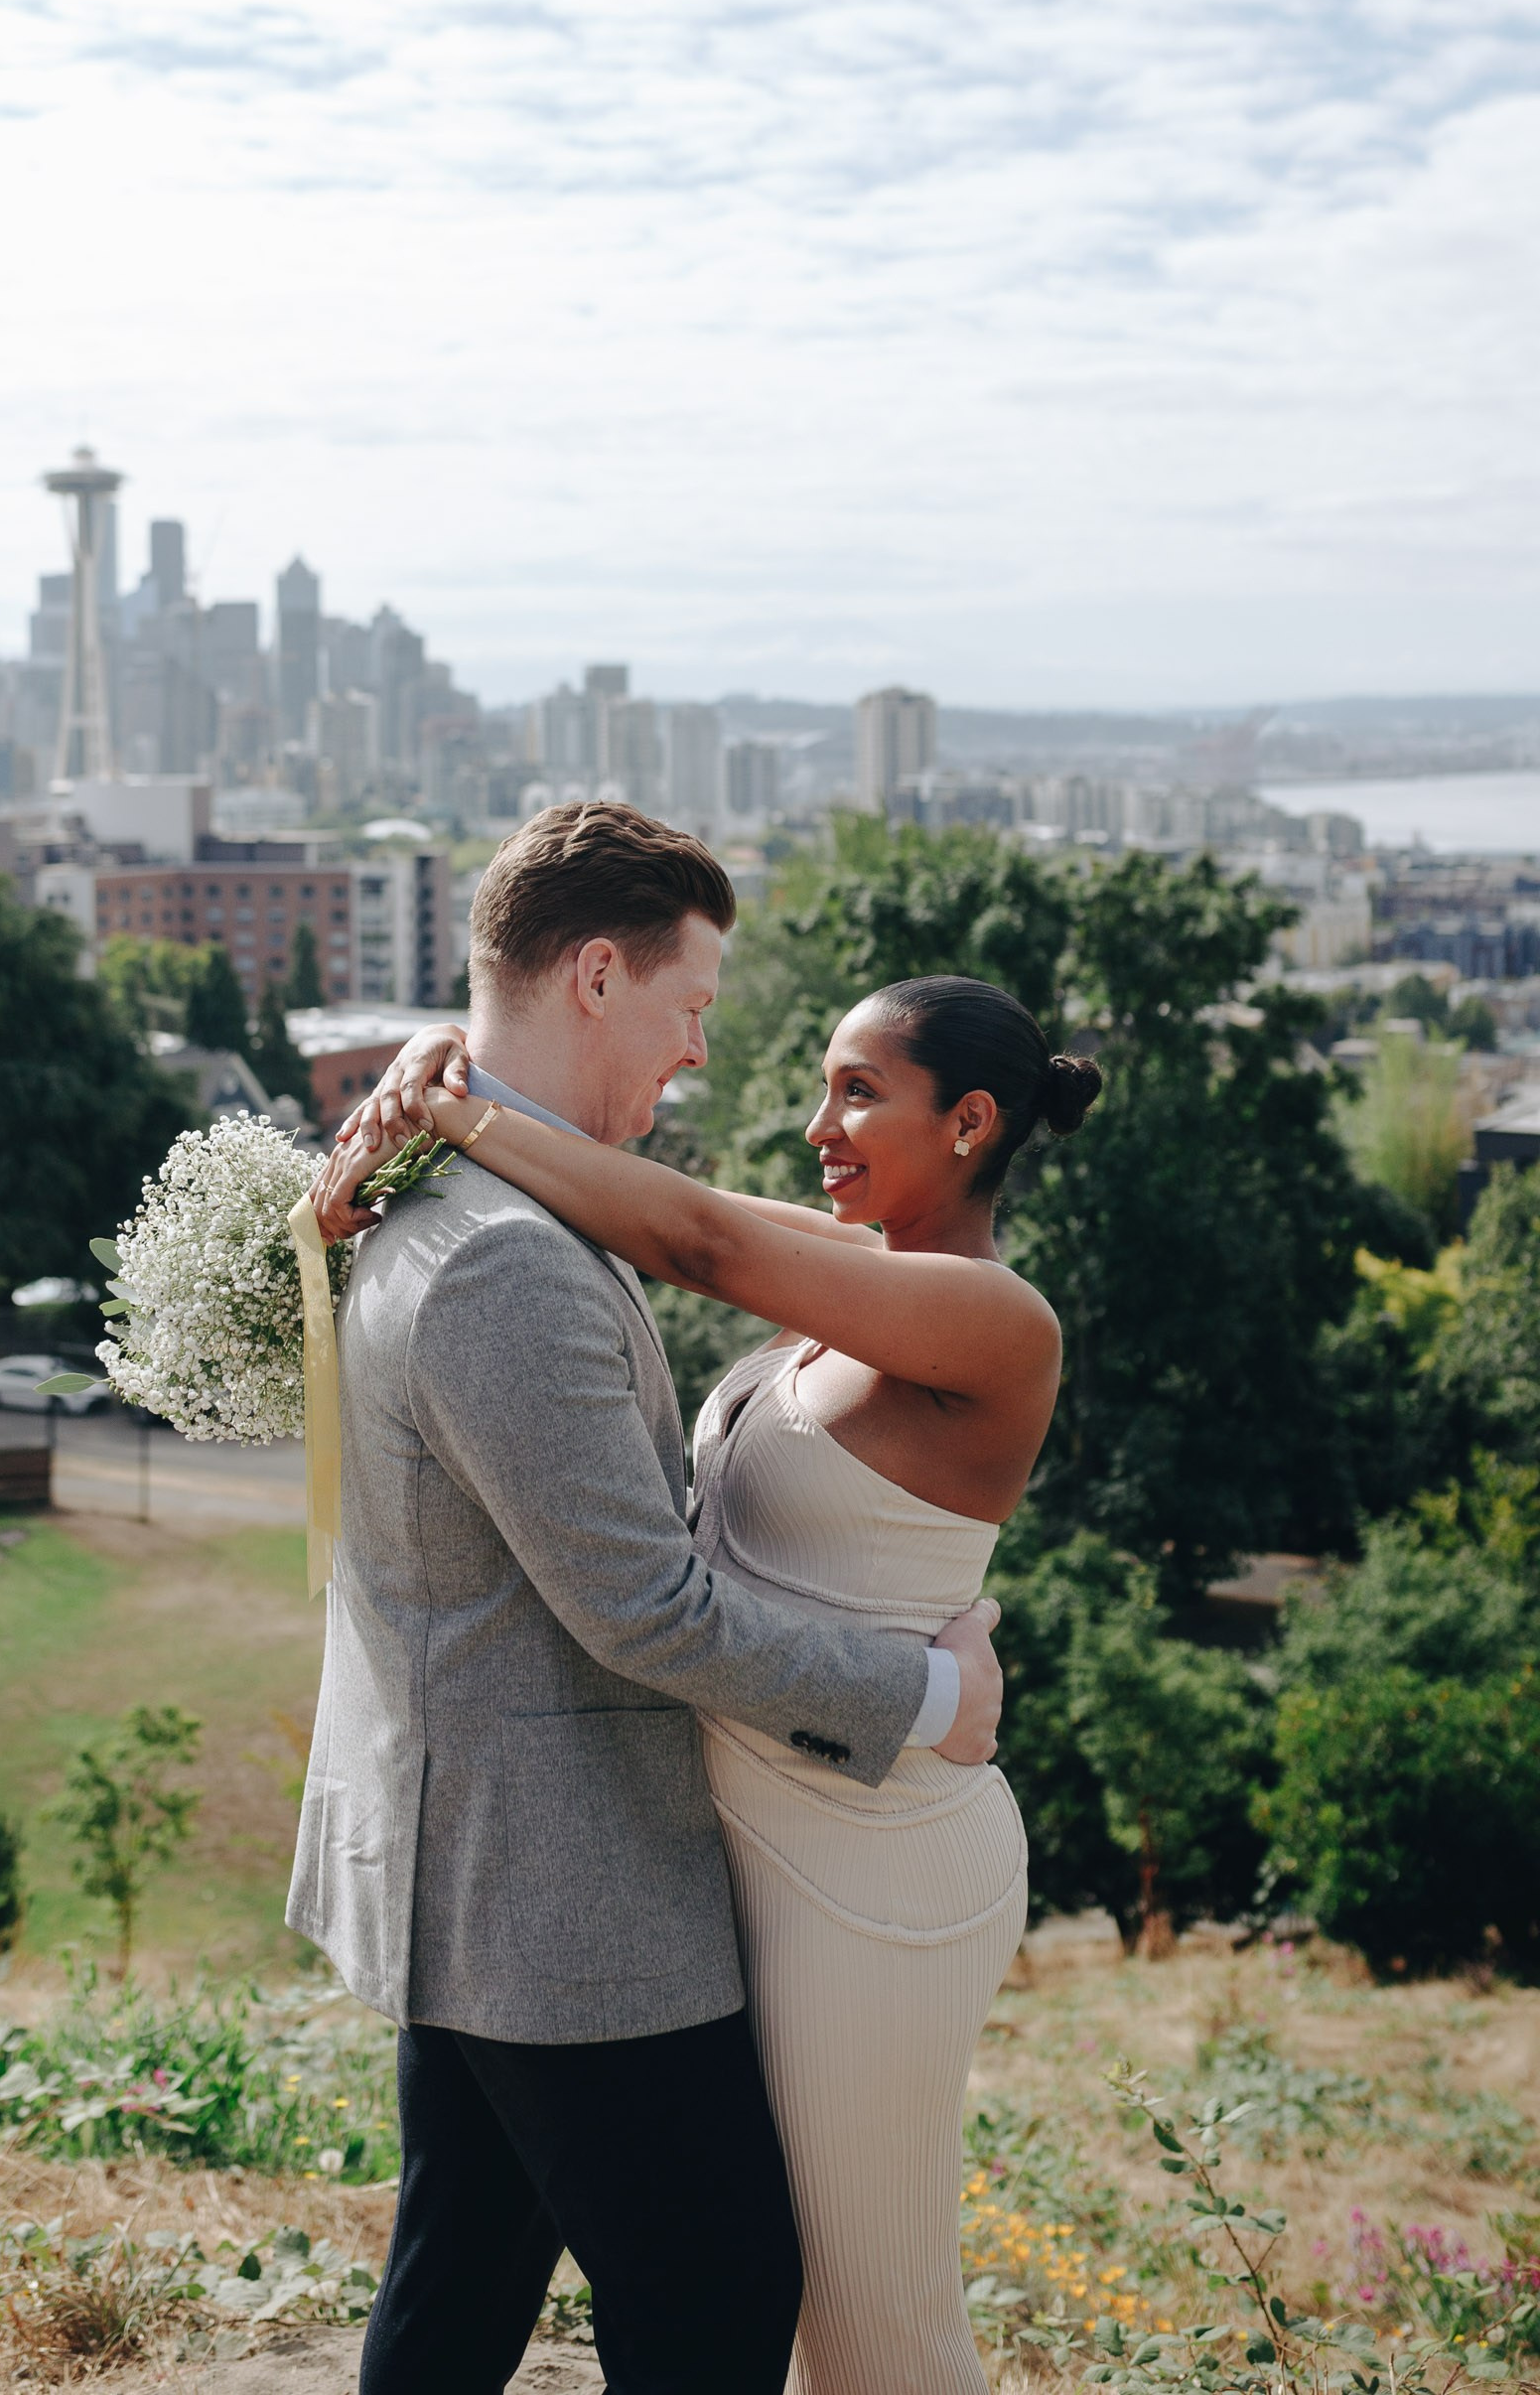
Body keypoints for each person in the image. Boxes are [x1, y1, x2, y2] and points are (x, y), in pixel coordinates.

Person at [318, 907, 1102, 2395]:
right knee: (669, 2272)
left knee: (870, 2322)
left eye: (860, 1091)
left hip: (877, 1859)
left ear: (974, 1122)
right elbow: (648, 1199)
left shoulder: (993, 1320)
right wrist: (438, 1077)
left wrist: (459, 1108)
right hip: (742, 1836)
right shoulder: (860, 1260)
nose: (818, 1124)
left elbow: (687, 1234)